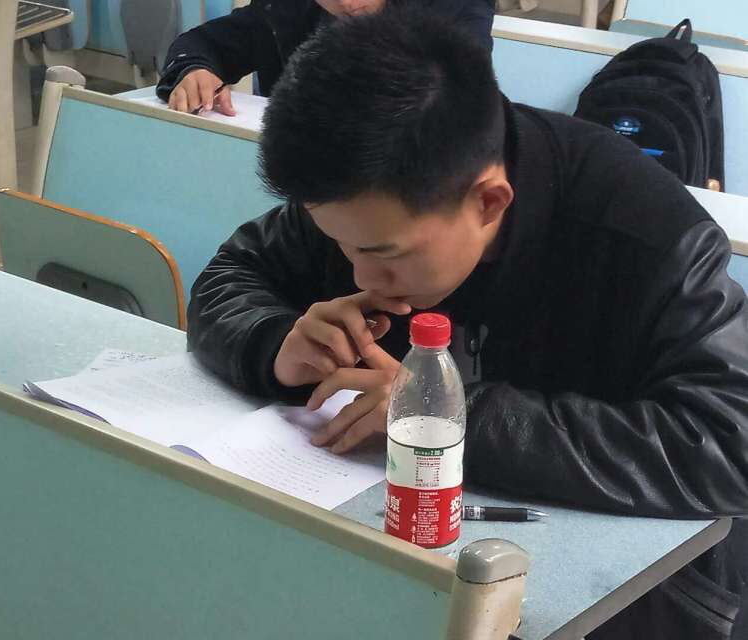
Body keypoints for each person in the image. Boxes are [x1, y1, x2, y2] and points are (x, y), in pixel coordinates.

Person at [187, 6, 748, 638]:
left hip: (624, 594)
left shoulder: (646, 233)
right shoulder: (363, 191)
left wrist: (451, 422)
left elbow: (731, 442)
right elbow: (230, 274)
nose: (360, 274)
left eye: (382, 254)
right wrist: (273, 343)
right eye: (339, 245)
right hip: (407, 554)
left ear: (488, 202)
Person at [156, 0, 495, 114]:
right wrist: (193, 70)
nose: (347, 3)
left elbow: (459, 96)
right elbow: (204, 43)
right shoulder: (287, 9)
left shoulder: (454, 8)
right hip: (302, 194)